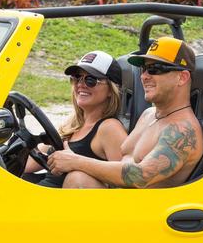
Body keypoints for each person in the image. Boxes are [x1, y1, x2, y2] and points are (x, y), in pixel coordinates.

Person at [47, 36, 203, 189]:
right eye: (144, 69)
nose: (144, 76)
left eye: (154, 69)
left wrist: (76, 161)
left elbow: (140, 176)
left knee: (78, 179)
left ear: (182, 77)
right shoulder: (149, 114)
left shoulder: (183, 130)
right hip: (121, 203)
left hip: (144, 212)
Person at [26, 50, 129, 188]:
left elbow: (126, 180)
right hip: (43, 194)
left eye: (91, 80)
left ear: (111, 89)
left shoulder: (109, 128)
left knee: (77, 178)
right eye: (77, 77)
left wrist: (77, 163)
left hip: (68, 205)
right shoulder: (72, 124)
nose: (81, 84)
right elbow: (29, 164)